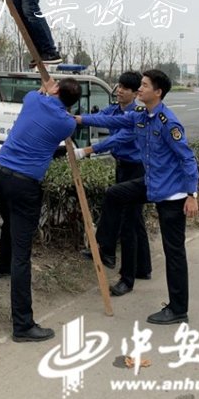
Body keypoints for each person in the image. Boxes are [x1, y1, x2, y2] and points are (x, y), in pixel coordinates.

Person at [76, 69, 199, 325]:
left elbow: (186, 158)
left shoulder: (168, 122)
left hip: (173, 194)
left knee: (173, 251)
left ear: (158, 92)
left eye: (144, 85)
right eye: (140, 85)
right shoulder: (142, 116)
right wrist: (78, 119)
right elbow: (114, 122)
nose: (139, 89)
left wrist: (192, 194)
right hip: (151, 184)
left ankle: (178, 309)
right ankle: (106, 248)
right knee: (115, 194)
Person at [0, 76, 82, 342]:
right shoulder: (66, 124)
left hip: (0, 173)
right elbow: (57, 134)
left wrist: (46, 90)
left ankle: (0, 267)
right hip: (24, 184)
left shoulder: (32, 100)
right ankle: (22, 325)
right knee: (23, 253)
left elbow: (40, 97)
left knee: (10, 222)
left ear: (55, 90)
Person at [75, 71, 152, 296]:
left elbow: (119, 138)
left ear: (135, 93)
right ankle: (143, 268)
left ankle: (124, 276)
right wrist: (77, 118)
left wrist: (89, 150)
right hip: (123, 166)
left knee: (129, 221)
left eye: (125, 89)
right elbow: (103, 118)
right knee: (135, 219)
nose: (119, 91)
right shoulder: (115, 109)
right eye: (118, 87)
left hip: (137, 169)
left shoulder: (138, 114)